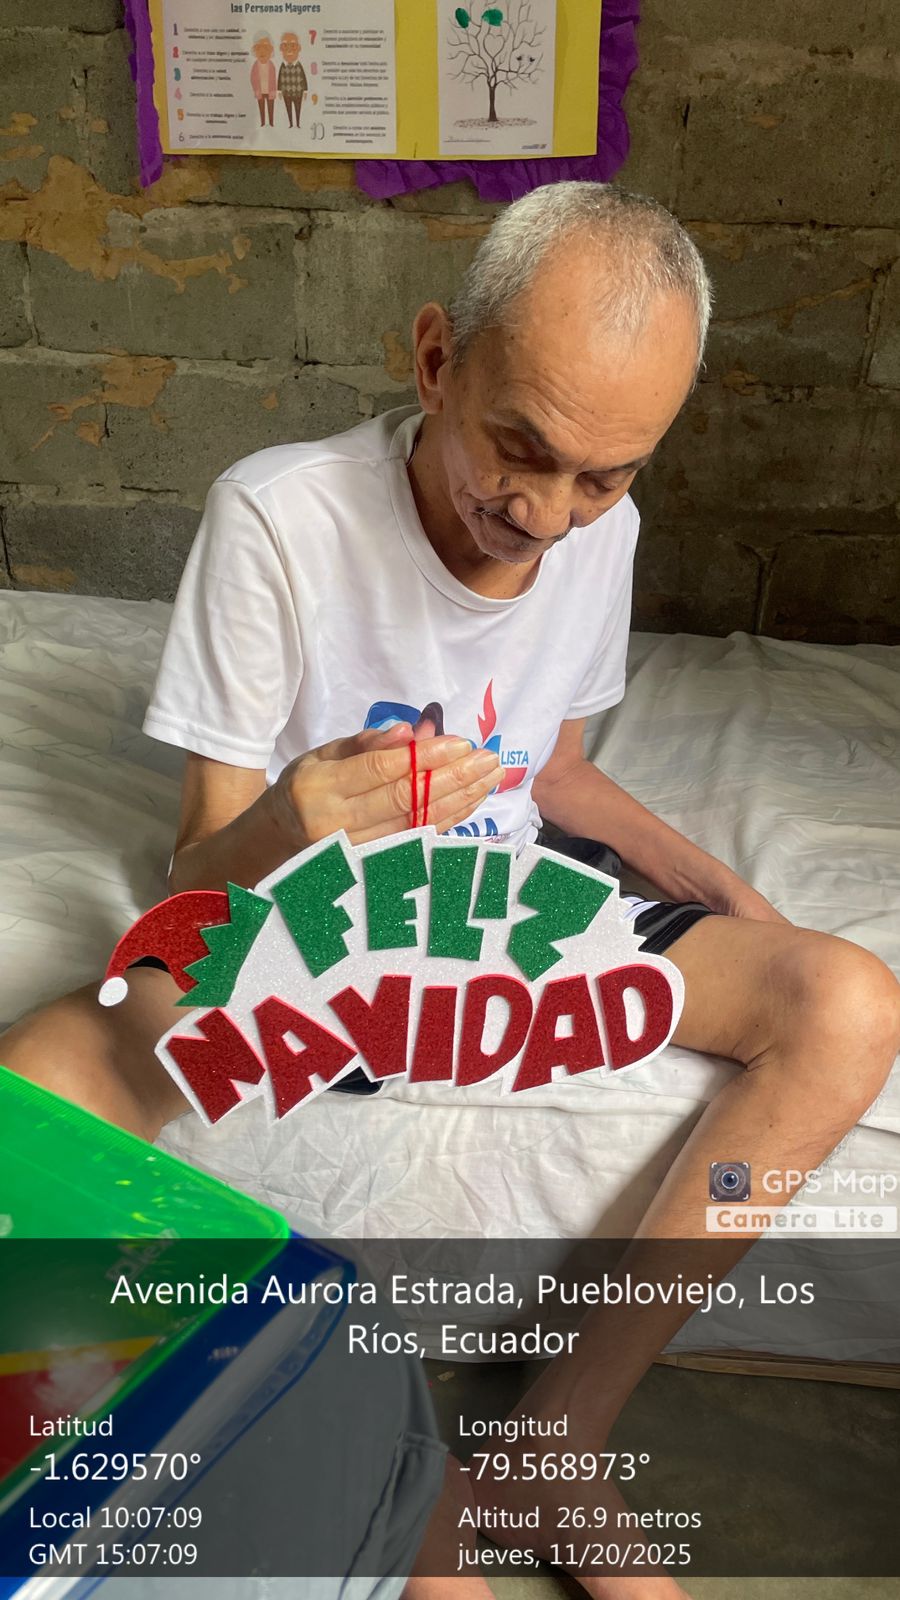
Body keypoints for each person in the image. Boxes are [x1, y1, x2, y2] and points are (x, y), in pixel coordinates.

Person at [3, 183, 899, 1600]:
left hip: (503, 916)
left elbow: (558, 771)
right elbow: (197, 864)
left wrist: (734, 902)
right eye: (519, 450)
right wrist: (297, 814)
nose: (544, 513)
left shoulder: (598, 529)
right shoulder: (277, 516)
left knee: (847, 1002)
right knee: (44, 1071)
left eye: (603, 477)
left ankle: (554, 1446)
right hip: (321, 924)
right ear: (435, 360)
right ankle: (300, 1495)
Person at [278, 31, 308, 129]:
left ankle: (298, 123)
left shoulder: (299, 66)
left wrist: (305, 90)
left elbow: (303, 78)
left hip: (298, 92)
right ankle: (291, 123)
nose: (289, 49)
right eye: (285, 46)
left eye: (293, 46)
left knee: (298, 108)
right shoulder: (283, 66)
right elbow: (279, 78)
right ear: (281, 49)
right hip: (286, 92)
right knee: (288, 108)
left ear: (299, 48)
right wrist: (279, 90)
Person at [249, 32, 277, 128]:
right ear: (254, 51)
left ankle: (271, 122)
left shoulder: (271, 65)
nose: (262, 51)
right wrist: (256, 90)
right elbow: (252, 78)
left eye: (266, 48)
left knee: (270, 107)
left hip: (270, 91)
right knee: (261, 108)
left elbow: (274, 79)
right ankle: (263, 122)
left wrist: (273, 90)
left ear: (271, 51)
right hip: (260, 92)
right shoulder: (255, 66)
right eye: (258, 48)